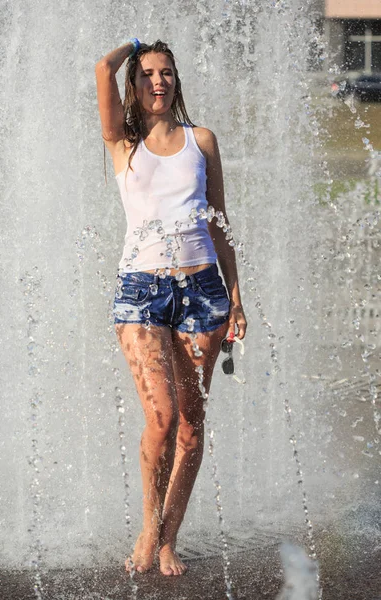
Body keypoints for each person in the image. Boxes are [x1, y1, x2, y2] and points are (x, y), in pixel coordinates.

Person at [95, 39, 247, 577]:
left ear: (177, 82)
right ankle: (148, 524)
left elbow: (219, 221)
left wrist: (235, 295)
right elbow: (101, 69)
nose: (158, 82)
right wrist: (131, 49)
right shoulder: (123, 144)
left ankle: (167, 539)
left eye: (166, 74)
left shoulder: (200, 142)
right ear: (135, 87)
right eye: (148, 75)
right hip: (142, 292)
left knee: (190, 425)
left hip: (203, 291)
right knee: (160, 418)